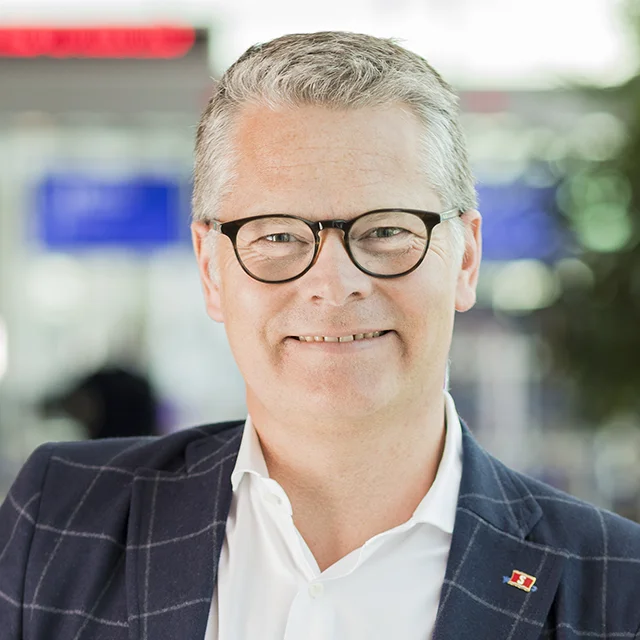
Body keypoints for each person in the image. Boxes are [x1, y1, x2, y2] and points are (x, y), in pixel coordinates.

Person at [1, 31, 639, 640]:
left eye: (386, 231)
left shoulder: (617, 585)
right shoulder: (59, 518)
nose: (333, 286)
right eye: (277, 235)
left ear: (466, 258)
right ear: (211, 269)